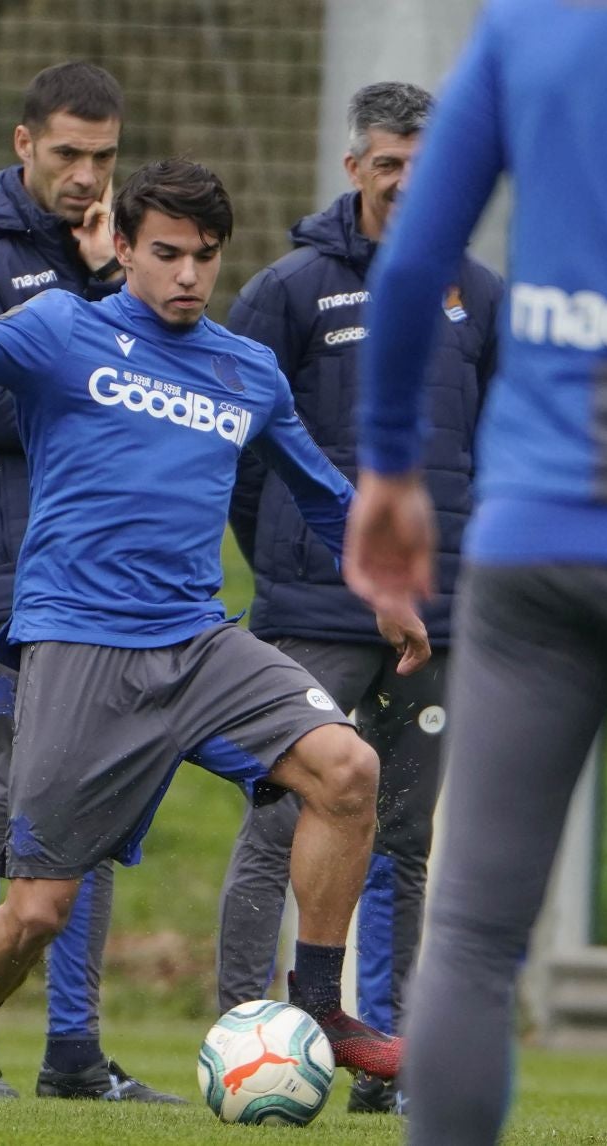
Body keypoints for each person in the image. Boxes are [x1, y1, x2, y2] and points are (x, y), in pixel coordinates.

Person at [0, 156, 430, 1110]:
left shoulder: (245, 369)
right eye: (167, 254)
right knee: (34, 914)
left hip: (199, 645)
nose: (188, 275)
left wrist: (386, 587)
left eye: (206, 257)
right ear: (129, 250)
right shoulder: (65, 330)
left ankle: (318, 1005)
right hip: (79, 647)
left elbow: (322, 494)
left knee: (347, 771)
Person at [344, 3, 607, 1144]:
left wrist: (388, 466)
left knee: (470, 934)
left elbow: (417, 254)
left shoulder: (530, 29)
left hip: (534, 540)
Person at [217, 80, 502, 1115]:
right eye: (390, 165)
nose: (407, 183)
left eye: (427, 168)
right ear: (355, 169)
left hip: (445, 615)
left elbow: (499, 450)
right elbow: (247, 461)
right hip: (312, 617)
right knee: (276, 827)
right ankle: (246, 1033)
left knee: (408, 839)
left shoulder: (480, 292)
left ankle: (389, 1060)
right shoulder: (290, 290)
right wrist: (297, 569)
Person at [0, 61, 180, 1103]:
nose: (87, 176)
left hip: (106, 589)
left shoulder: (113, 264)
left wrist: (109, 287)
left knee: (95, 818)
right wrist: (89, 298)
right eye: (68, 153)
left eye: (104, 158)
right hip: (8, 587)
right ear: (23, 144)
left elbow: (157, 399)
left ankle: (73, 1057)